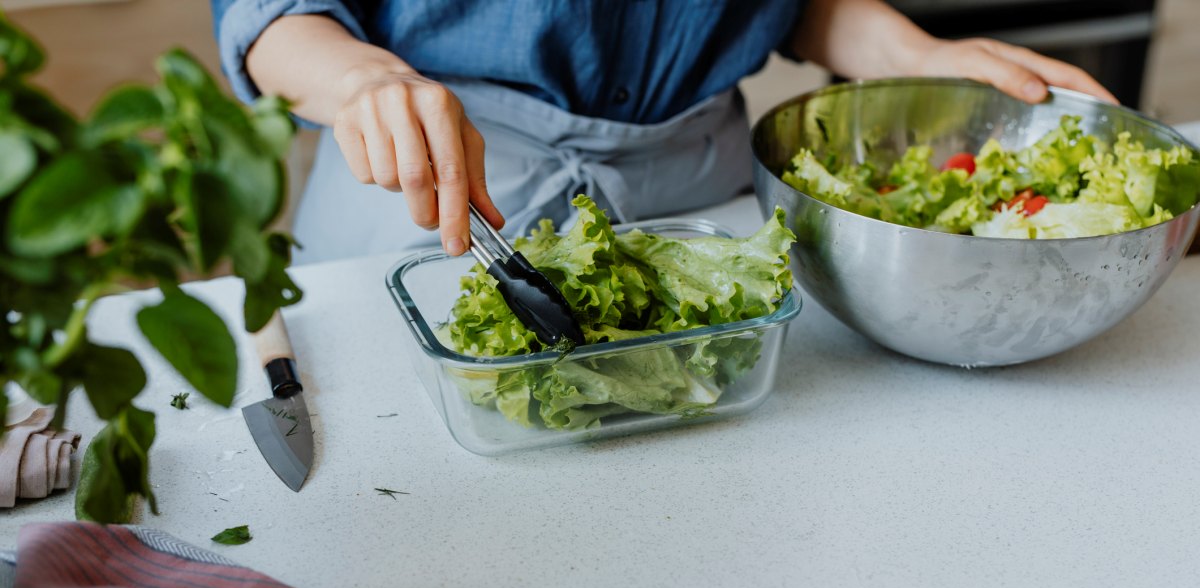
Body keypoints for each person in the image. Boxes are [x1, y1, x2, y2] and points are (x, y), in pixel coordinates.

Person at [210, 0, 1116, 264]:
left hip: (700, 211)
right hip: (439, 195)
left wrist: (909, 52)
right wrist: (367, 79)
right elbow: (270, 16)